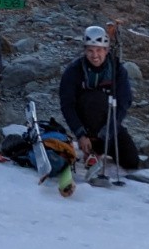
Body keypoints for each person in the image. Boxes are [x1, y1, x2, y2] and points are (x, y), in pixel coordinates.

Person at [58, 24, 140, 171]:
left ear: (107, 50)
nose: (95, 55)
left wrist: (110, 130)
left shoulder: (117, 70)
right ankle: (92, 148)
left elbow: (124, 103)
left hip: (110, 123)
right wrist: (80, 134)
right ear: (85, 50)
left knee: (131, 161)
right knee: (94, 99)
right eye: (90, 50)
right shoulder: (74, 71)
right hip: (85, 125)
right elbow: (67, 105)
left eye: (99, 50)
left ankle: (101, 148)